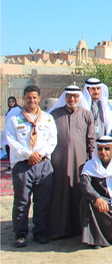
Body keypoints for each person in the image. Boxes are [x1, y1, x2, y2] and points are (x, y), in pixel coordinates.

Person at [5, 85, 57, 247]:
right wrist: (29, 155)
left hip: (43, 164)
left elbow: (52, 140)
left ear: (39, 98)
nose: (31, 100)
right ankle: (20, 235)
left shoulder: (48, 118)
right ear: (23, 99)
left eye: (34, 97)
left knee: (42, 201)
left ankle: (40, 232)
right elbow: (11, 140)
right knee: (22, 201)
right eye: (28, 97)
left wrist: (39, 154)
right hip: (23, 165)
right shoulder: (14, 119)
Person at [48, 85, 95, 239]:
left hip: (80, 162)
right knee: (59, 193)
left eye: (75, 96)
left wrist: (92, 161)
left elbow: (91, 140)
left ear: (79, 98)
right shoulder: (54, 115)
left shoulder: (86, 115)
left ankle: (78, 228)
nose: (72, 99)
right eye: (69, 96)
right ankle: (59, 229)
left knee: (78, 192)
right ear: (65, 97)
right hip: (59, 163)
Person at [79, 136, 112, 248]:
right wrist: (97, 198)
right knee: (87, 201)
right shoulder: (90, 165)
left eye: (107, 149)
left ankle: (107, 236)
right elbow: (84, 185)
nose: (103, 152)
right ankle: (96, 240)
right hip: (100, 206)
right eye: (100, 149)